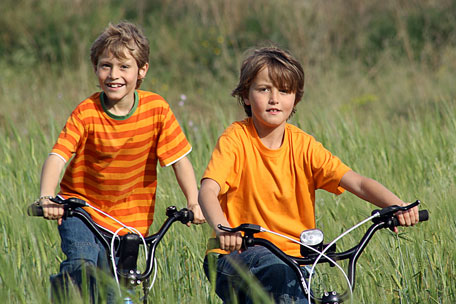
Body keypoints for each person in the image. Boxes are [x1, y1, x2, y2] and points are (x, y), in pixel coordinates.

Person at [198, 46, 419, 304]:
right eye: (263, 89)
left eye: (284, 90)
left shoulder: (303, 145)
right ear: (246, 96)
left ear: (295, 99)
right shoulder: (236, 138)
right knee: (279, 271)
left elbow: (357, 182)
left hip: (294, 262)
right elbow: (208, 190)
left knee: (290, 280)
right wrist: (224, 228)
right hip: (234, 257)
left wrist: (398, 206)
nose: (274, 99)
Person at [38, 21, 205, 302]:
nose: (114, 75)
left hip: (129, 223)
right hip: (81, 210)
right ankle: (65, 293)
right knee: (82, 266)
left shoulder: (157, 110)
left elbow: (179, 160)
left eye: (124, 67)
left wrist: (193, 201)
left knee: (115, 292)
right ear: (95, 69)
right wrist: (46, 197)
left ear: (142, 71)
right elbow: (58, 155)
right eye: (106, 66)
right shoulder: (87, 112)